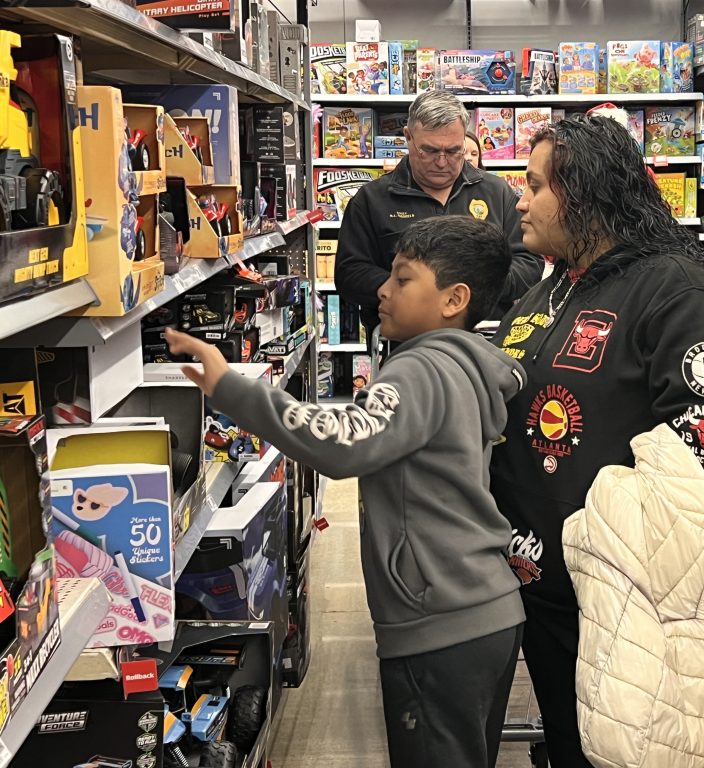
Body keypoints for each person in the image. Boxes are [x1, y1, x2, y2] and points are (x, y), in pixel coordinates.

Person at [166, 216, 527, 768]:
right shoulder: (467, 366)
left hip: (438, 622)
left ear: (454, 300)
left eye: (403, 280)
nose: (383, 289)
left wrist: (232, 389)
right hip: (485, 610)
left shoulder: (419, 370)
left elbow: (343, 444)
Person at [490, 115, 704, 767]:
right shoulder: (557, 283)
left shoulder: (678, 294)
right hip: (545, 592)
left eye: (535, 186)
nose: (520, 201)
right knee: (571, 740)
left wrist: (629, 583)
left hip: (623, 609)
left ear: (583, 194)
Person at [335, 90, 542, 334]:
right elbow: (350, 273)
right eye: (430, 150)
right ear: (408, 137)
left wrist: (481, 286)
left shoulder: (497, 192)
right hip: (404, 343)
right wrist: (414, 290)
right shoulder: (371, 199)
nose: (442, 162)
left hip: (485, 339)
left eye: (454, 151)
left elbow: (529, 262)